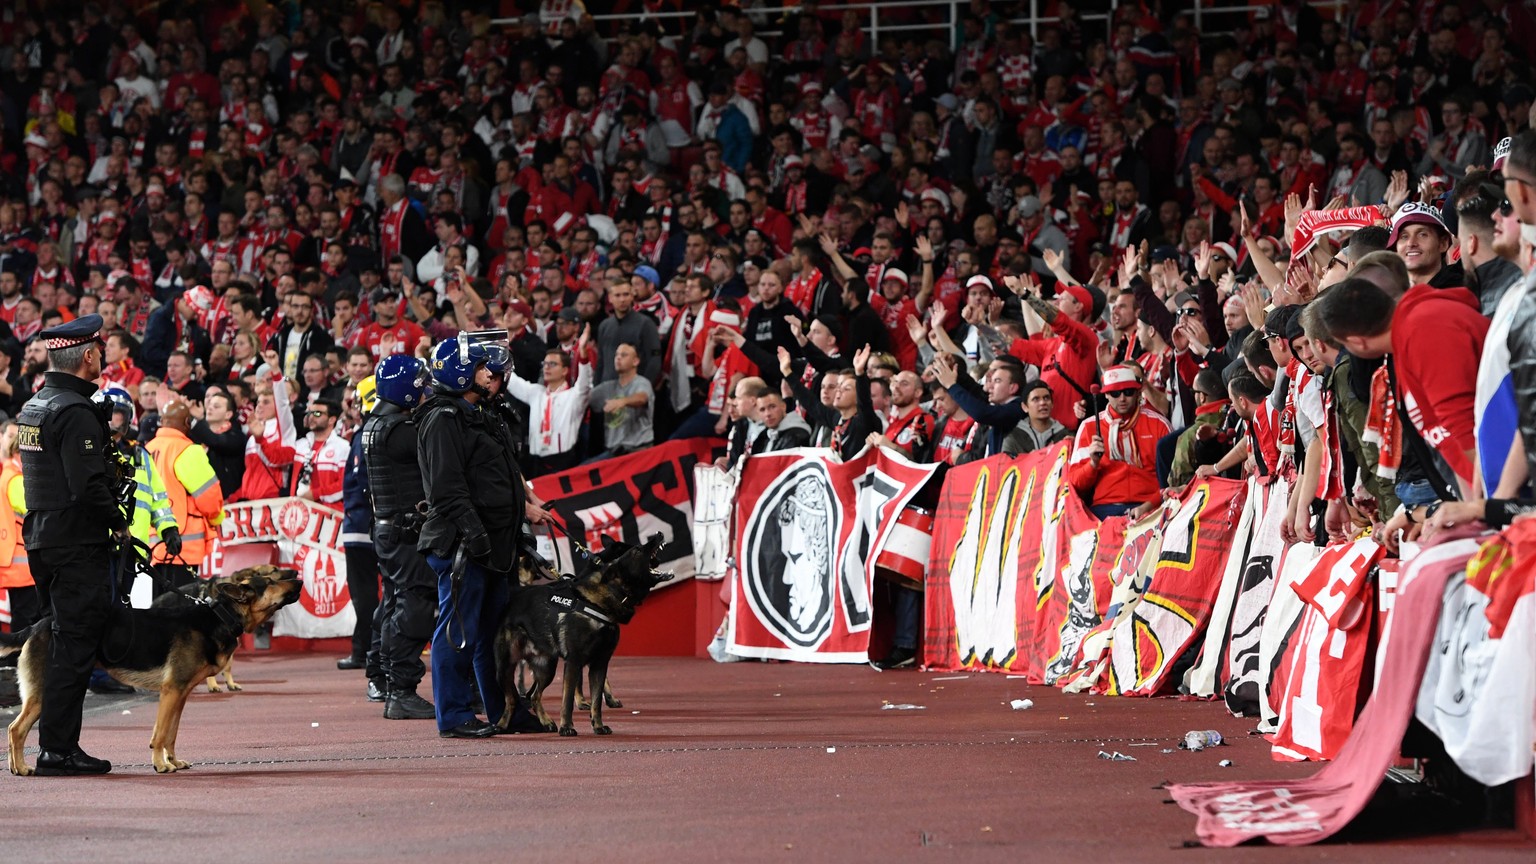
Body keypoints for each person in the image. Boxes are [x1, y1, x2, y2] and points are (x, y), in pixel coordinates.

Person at [417, 335, 549, 738]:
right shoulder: (443, 419)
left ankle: (505, 711)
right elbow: (446, 489)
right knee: (458, 632)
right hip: (465, 545)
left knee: (497, 635)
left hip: (494, 545)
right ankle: (454, 715)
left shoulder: (479, 413)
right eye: (478, 367)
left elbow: (503, 478)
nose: (488, 373)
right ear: (461, 373)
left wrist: (515, 526)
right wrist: (474, 535)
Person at [14, 314, 121, 775]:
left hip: (42, 540)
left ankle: (57, 746)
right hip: (77, 543)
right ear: (90, 355)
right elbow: (88, 486)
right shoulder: (75, 411)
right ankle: (57, 750)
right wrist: (118, 522)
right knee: (74, 648)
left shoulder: (35, 405)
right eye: (100, 350)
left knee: (62, 643)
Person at [363, 357, 440, 720]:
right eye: (421, 383)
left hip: (389, 530)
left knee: (395, 604)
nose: (426, 389)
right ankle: (402, 690)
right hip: (404, 531)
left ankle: (389, 682)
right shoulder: (400, 429)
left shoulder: (376, 422)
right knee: (414, 606)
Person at [1066, 364, 1170, 519]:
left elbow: (1173, 480)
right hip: (1104, 510)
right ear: (1106, 395)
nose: (1122, 398)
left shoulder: (1159, 424)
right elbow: (1075, 484)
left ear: (1137, 392)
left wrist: (1150, 504)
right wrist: (1093, 464)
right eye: (1115, 393)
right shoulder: (1089, 426)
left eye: (1128, 392)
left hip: (1152, 507)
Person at [147, 399, 225, 589]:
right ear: (187, 423)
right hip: (182, 545)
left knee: (159, 608)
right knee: (181, 610)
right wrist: (217, 518)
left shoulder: (147, 450)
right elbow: (210, 497)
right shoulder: (187, 451)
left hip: (154, 544)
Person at [340, 377, 379, 675]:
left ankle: (366, 650)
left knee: (364, 593)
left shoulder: (364, 434)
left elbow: (362, 482)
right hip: (373, 522)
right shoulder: (376, 430)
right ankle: (368, 649)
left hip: (361, 523)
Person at [587, 342, 654, 459]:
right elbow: (583, 398)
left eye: (624, 355)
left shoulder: (642, 383)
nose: (618, 358)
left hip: (639, 450)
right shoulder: (607, 387)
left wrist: (622, 401)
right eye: (617, 355)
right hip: (613, 452)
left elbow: (642, 398)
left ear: (635, 361)